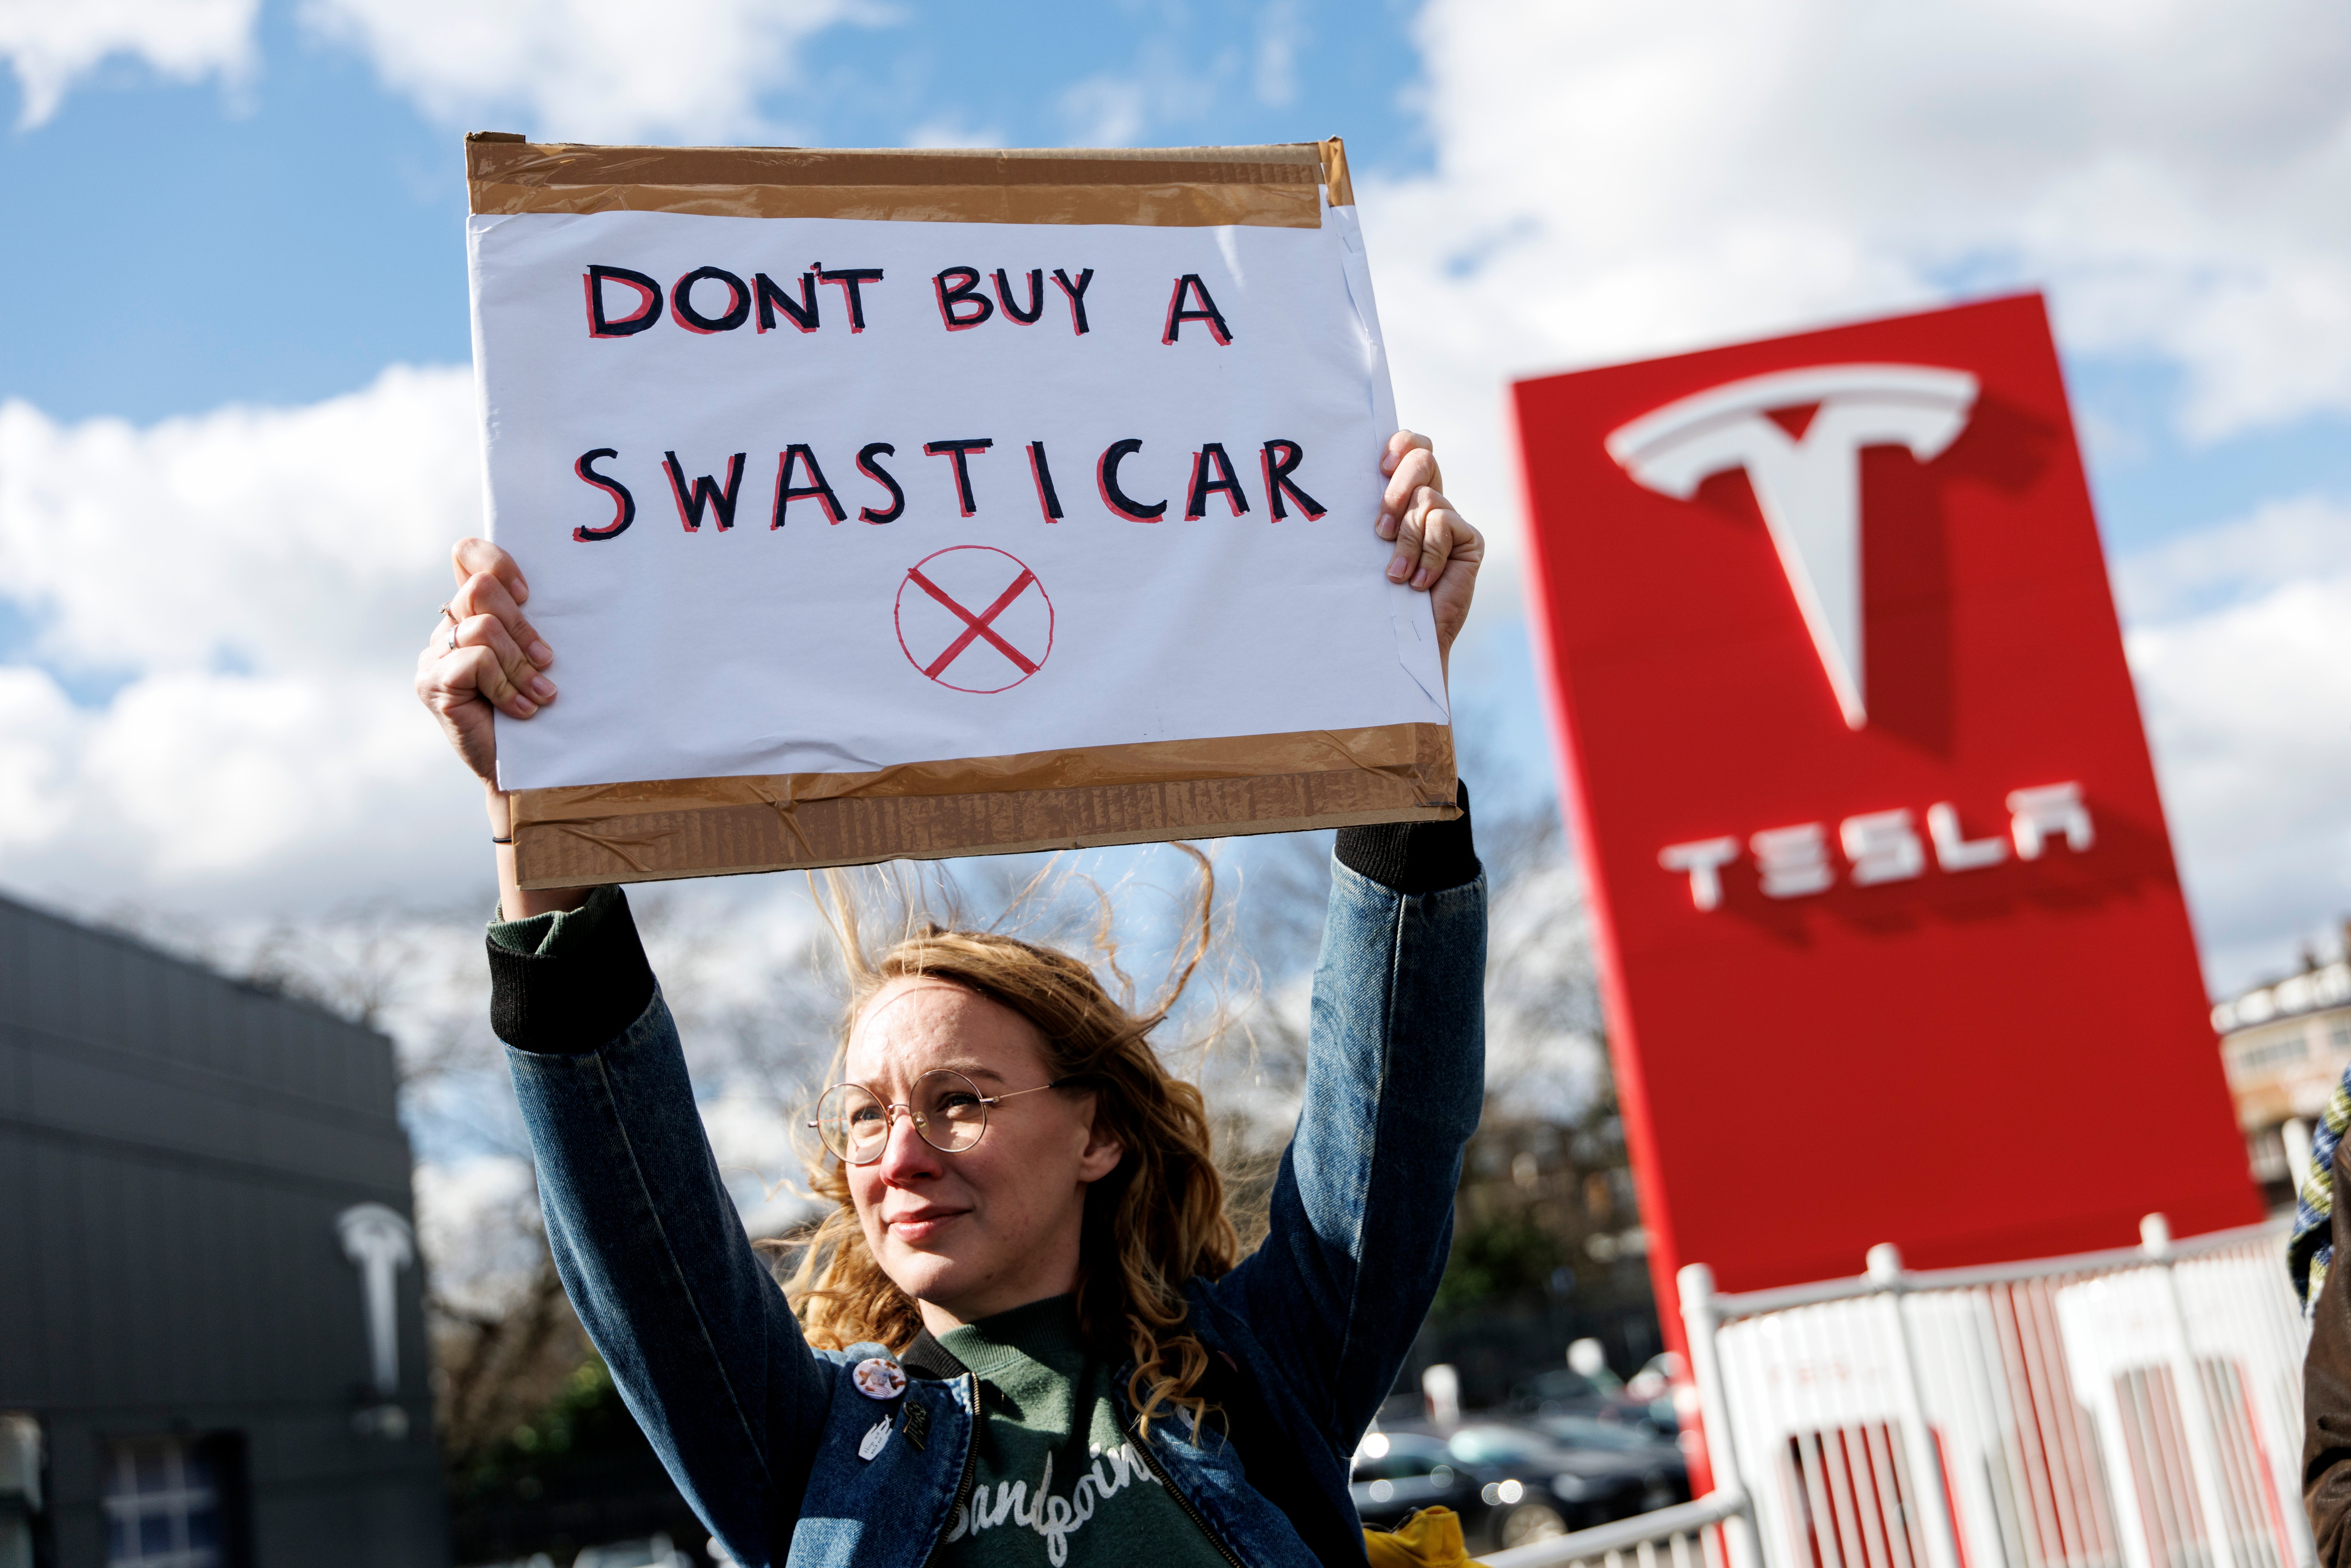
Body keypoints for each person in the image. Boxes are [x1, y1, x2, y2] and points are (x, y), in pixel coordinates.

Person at [414, 432, 1488, 1568]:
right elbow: (637, 1224)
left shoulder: (1262, 1366)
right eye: (869, 1114)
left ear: (1099, 1131)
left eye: (960, 1100)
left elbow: (1394, 1105)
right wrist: (530, 806)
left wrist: (1398, 690)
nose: (899, 1157)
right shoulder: (810, 1440)